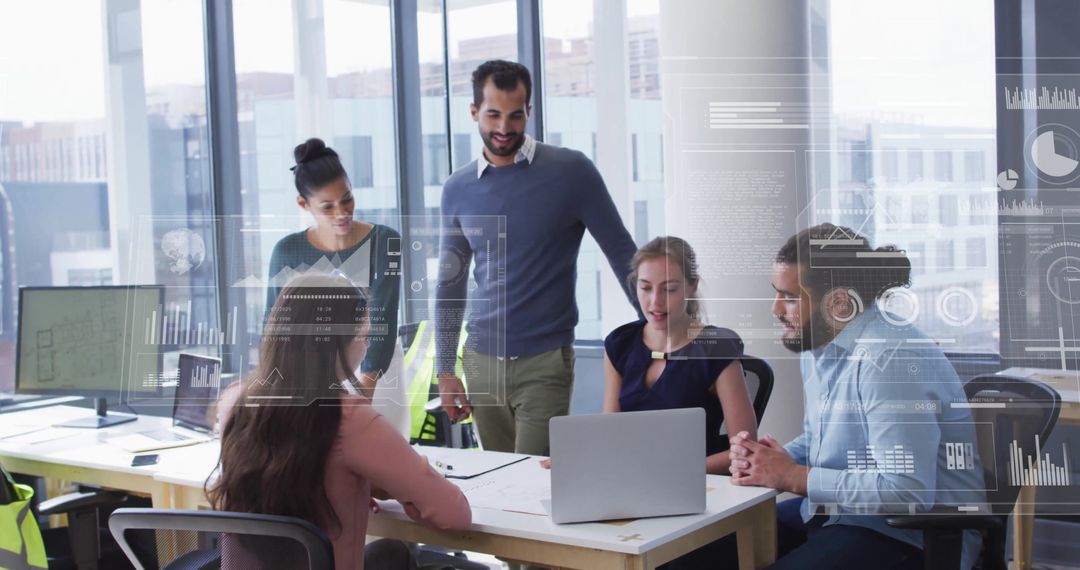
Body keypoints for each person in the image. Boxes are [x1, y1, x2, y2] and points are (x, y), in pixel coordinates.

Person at [728, 224, 984, 570]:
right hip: (841, 516)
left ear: (839, 302)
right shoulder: (818, 346)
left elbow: (908, 491)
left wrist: (792, 476)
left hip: (913, 537)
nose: (776, 309)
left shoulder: (890, 359)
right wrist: (772, 461)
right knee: (708, 549)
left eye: (789, 297)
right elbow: (826, 439)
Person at [435, 60, 639, 456]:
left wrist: (659, 326)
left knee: (536, 485)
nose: (504, 128)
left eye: (516, 115)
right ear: (474, 111)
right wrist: (446, 369)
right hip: (480, 362)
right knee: (497, 482)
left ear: (529, 111)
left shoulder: (571, 171)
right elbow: (450, 284)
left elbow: (621, 251)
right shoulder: (457, 188)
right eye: (493, 114)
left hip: (545, 361)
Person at [209, 273, 471, 570]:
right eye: (363, 336)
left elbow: (291, 468)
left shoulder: (236, 401)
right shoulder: (351, 419)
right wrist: (406, 494)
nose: (366, 345)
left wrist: (354, 485)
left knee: (389, 553)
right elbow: (454, 514)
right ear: (337, 344)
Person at [604, 236, 756, 474]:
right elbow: (610, 435)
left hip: (698, 484)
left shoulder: (715, 348)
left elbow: (746, 449)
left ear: (692, 286)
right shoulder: (620, 344)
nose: (655, 302)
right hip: (632, 479)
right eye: (645, 288)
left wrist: (674, 471)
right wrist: (586, 458)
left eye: (670, 289)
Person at [265, 138, 401, 397]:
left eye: (347, 199)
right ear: (304, 204)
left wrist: (366, 386)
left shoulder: (384, 241)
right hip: (306, 383)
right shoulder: (286, 251)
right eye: (327, 207)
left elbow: (382, 316)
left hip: (375, 373)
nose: (342, 213)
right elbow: (273, 329)